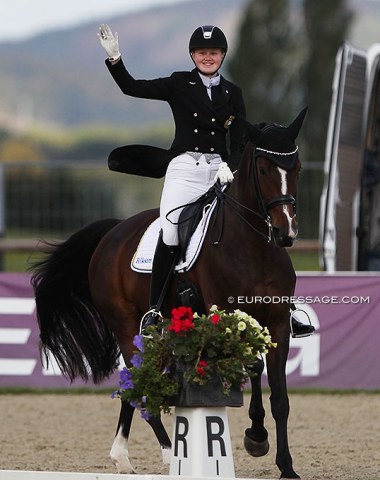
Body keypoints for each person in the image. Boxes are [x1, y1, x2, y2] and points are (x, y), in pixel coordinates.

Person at [98, 24, 314, 339]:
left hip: (219, 171)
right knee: (171, 229)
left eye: (213, 53)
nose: (208, 57)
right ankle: (156, 310)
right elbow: (133, 87)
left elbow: (240, 140)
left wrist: (230, 166)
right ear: (193, 55)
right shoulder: (178, 83)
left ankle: (286, 308)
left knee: (257, 222)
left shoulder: (233, 94)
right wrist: (116, 60)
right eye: (202, 52)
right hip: (185, 169)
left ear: (222, 56)